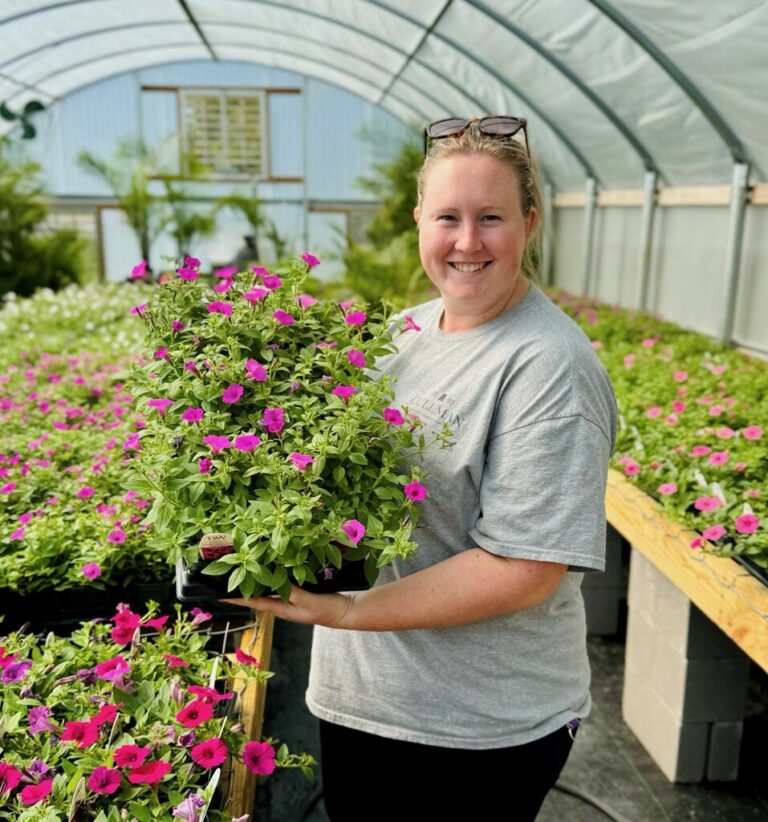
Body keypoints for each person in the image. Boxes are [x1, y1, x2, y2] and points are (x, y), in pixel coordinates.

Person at [227, 117, 617, 821]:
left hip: (475, 727)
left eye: (491, 218)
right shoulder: (404, 334)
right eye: (448, 217)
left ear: (529, 223)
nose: (467, 242)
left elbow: (524, 567)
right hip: (364, 697)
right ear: (418, 221)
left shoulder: (548, 367)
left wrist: (347, 609)